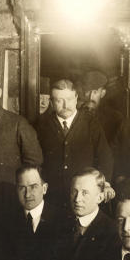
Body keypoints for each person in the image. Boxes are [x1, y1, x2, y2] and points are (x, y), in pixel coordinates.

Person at [36, 79, 113, 207]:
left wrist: (105, 184)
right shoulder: (42, 125)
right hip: (53, 196)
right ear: (51, 102)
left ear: (76, 98)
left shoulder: (91, 123)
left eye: (70, 99)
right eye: (59, 100)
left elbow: (105, 157)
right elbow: (36, 160)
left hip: (85, 196)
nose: (66, 105)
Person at [3, 163, 66, 260]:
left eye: (33, 187)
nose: (27, 194)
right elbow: (4, 258)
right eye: (22, 188)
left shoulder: (62, 219)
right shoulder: (8, 218)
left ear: (44, 188)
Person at [77, 70, 123, 151]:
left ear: (102, 93)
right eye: (88, 92)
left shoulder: (115, 118)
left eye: (95, 92)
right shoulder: (74, 114)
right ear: (84, 92)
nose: (91, 97)